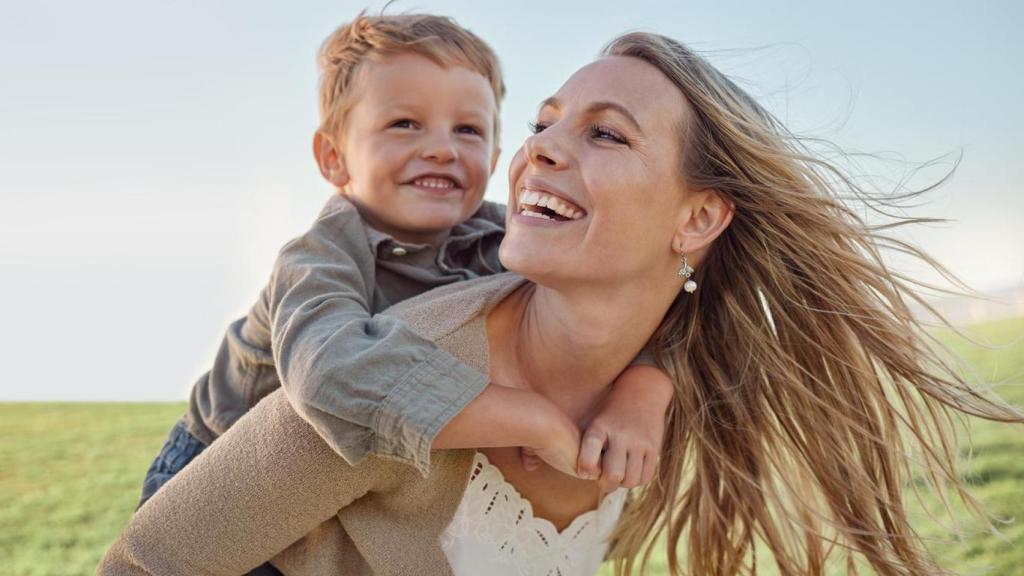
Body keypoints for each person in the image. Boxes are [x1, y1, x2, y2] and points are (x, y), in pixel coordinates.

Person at [100, 31, 1023, 576]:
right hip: (225, 436)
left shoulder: (648, 364)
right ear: (335, 158)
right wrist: (518, 416)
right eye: (544, 121)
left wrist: (650, 384)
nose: (534, 148)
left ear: (699, 217)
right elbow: (323, 383)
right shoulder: (350, 295)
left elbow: (683, 316)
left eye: (601, 132)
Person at [138, 11, 674, 534]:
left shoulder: (506, 242)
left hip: (351, 486)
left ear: (492, 158)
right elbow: (330, 371)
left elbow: (609, 305)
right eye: (404, 124)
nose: (441, 149)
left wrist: (644, 388)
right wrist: (530, 419)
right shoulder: (320, 256)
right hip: (219, 474)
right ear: (333, 158)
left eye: (467, 130)